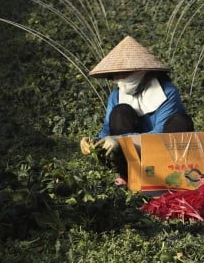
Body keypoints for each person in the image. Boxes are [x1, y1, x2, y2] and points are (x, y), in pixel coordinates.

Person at [79, 36, 194, 180]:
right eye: (117, 74)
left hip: (162, 150)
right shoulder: (116, 96)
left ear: (141, 71)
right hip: (132, 154)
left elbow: (160, 133)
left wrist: (120, 140)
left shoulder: (166, 91)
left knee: (180, 120)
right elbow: (107, 130)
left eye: (125, 73)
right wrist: (94, 142)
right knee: (120, 112)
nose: (120, 78)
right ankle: (127, 174)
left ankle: (171, 175)